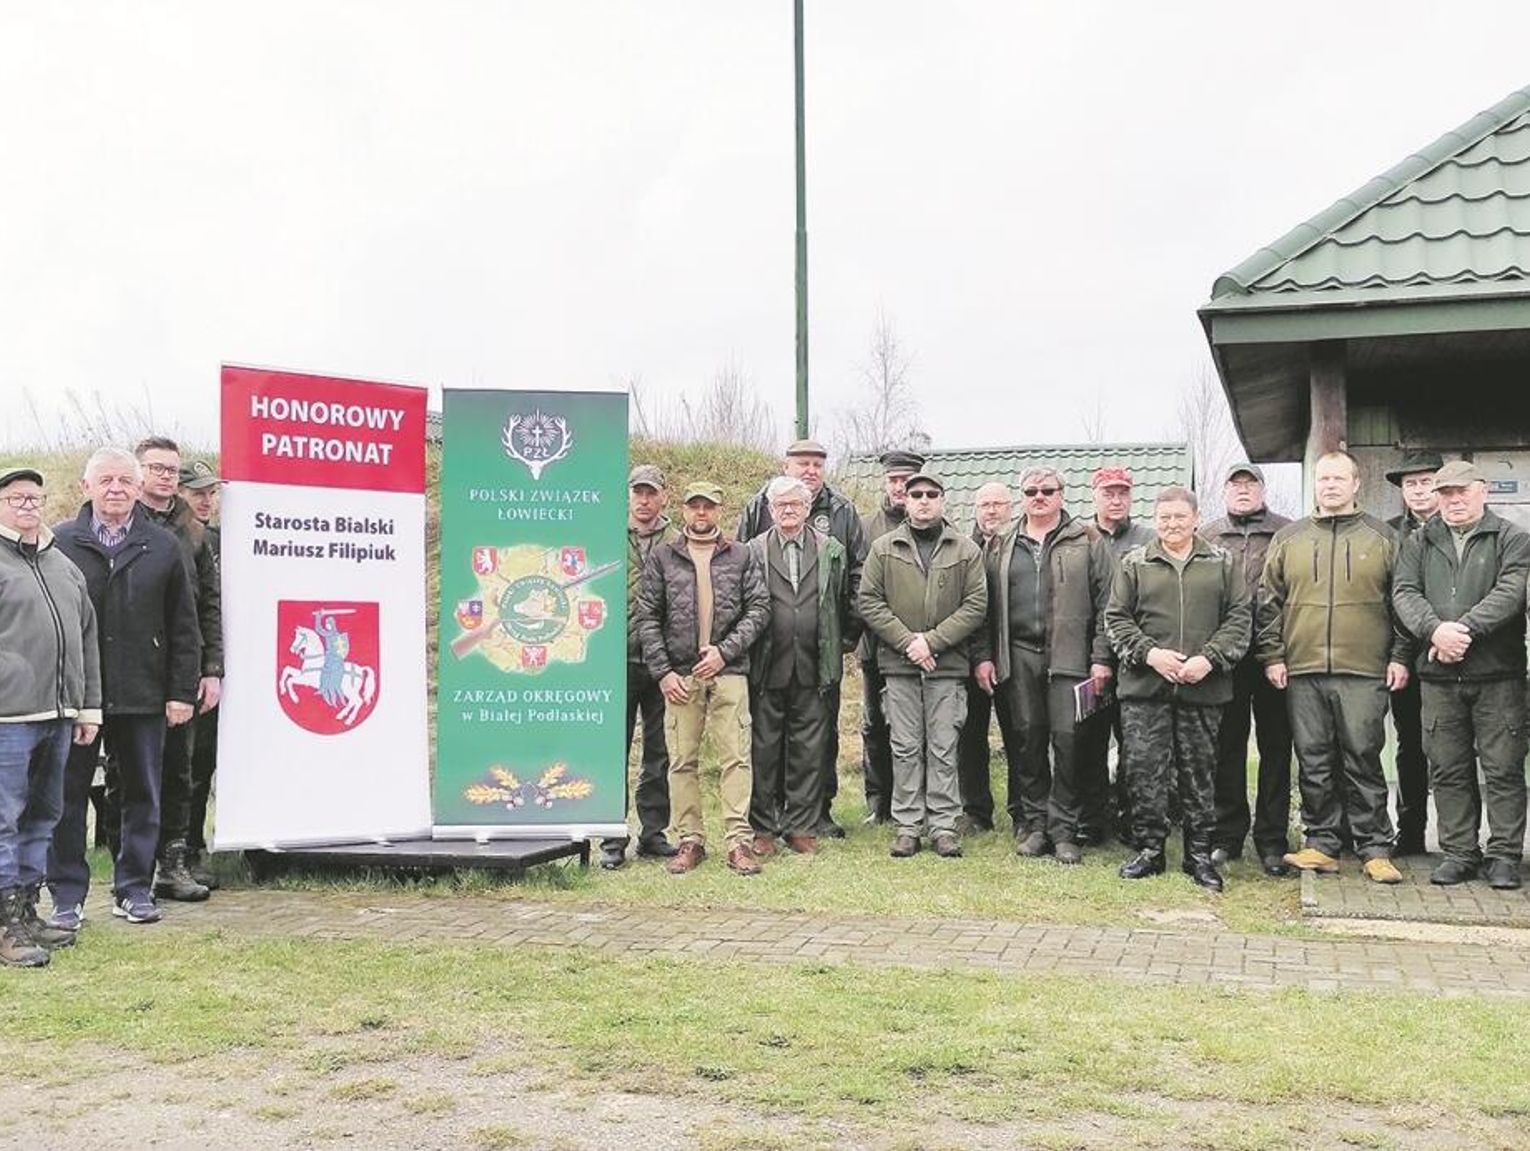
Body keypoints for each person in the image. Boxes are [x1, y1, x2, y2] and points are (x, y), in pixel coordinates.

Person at [48, 447, 200, 927]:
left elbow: (184, 625)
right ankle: (66, 895)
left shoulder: (163, 545)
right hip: (78, 695)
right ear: (85, 487)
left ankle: (133, 888)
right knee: (66, 797)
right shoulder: (59, 543)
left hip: (144, 690)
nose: (116, 489)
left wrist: (180, 690)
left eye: (124, 481)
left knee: (142, 794)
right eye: (106, 480)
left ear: (138, 489)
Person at [1257, 450, 1410, 885]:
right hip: (1303, 669)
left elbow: (1402, 604)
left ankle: (1375, 847)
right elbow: (1268, 604)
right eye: (1323, 478)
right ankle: (1321, 844)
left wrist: (1399, 656)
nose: (1330, 485)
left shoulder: (1382, 538)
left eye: (1339, 478)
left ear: (1356, 483)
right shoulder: (1289, 539)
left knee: (1363, 757)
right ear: (1316, 484)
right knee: (1314, 760)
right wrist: (1272, 656)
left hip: (1364, 670)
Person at [1105, 487, 1251, 891]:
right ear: (1156, 519)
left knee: (1199, 774)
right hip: (1145, 689)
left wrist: (1210, 658)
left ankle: (1199, 854)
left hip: (1203, 689)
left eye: (1179, 517)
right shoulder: (1134, 563)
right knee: (1144, 773)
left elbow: (1240, 617)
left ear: (1195, 517)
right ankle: (1150, 849)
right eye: (1164, 517)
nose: (1172, 524)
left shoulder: (1222, 563)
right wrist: (1150, 654)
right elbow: (1116, 618)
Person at [1393, 459, 1529, 889]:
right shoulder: (1420, 541)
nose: (1453, 500)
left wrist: (1461, 631)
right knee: (1448, 769)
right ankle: (1459, 852)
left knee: (1503, 768)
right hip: (1437, 679)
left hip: (1498, 677)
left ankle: (1504, 855)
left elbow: (1511, 592)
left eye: (1461, 492)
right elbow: (1404, 592)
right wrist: (1435, 630)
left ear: (1482, 491)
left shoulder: (1512, 539)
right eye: (1446, 493)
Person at [973, 466, 1114, 863]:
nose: (1039, 497)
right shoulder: (1000, 544)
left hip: (1070, 659)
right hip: (1017, 656)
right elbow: (982, 607)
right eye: (1031, 491)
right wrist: (983, 656)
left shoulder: (1087, 540)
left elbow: (1108, 603)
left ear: (1061, 495)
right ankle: (1035, 825)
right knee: (1026, 739)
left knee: (1069, 743)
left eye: (1047, 490)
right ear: (1022, 497)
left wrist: (1102, 657)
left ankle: (1065, 829)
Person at [635, 482, 769, 875]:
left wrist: (724, 651)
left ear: (719, 510)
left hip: (729, 672)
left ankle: (738, 842)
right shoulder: (663, 557)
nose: (701, 513)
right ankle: (690, 840)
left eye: (708, 506)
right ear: (684, 510)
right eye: (694, 506)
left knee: (737, 758)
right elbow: (648, 617)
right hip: (680, 676)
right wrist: (662, 672)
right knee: (681, 760)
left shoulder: (741, 555)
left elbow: (759, 609)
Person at [738, 439, 867, 838]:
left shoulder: (832, 548)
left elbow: (850, 593)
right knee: (764, 746)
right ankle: (762, 825)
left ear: (807, 508)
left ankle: (801, 825)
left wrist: (843, 638)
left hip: (815, 660)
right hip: (767, 661)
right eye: (782, 506)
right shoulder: (753, 549)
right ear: (771, 509)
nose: (789, 510)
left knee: (810, 748)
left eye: (796, 505)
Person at [0, 468, 101, 967]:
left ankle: (26, 908)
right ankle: (4, 925)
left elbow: (87, 640)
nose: (27, 506)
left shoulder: (62, 566)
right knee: (3, 819)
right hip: (8, 718)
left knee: (43, 817)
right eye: (16, 498)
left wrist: (89, 706)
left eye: (35, 498)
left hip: (59, 713)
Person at [858, 471, 987, 858]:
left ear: (943, 501)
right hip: (898, 666)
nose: (924, 500)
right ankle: (908, 825)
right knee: (904, 746)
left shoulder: (965, 550)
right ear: (906, 501)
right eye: (917, 494)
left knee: (945, 746)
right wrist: (908, 642)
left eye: (932, 494)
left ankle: (944, 825)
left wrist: (931, 641)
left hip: (947, 667)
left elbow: (976, 605)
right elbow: (869, 601)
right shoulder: (883, 548)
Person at [135, 436, 222, 903]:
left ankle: (177, 858)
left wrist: (213, 666)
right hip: (133, 665)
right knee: (130, 772)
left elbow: (209, 602)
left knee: (182, 769)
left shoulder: (194, 532)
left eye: (172, 470)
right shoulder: (122, 522)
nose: (166, 477)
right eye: (159, 469)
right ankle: (133, 864)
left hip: (184, 664)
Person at [1200, 462, 1294, 876]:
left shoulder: (1286, 531)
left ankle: (1272, 839)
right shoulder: (1208, 535)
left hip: (1274, 654)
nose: (1242, 490)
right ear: (1224, 491)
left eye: (1249, 484)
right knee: (1227, 747)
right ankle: (1227, 835)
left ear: (1262, 489)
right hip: (1226, 658)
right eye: (1235, 484)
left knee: (1276, 747)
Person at [600, 464, 681, 869]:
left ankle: (653, 832)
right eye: (638, 492)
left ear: (664, 495)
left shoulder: (678, 540)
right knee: (613, 750)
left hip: (663, 660)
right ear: (628, 496)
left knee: (659, 751)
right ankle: (612, 836)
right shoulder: (606, 535)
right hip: (617, 656)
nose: (644, 500)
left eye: (651, 492)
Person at [1076, 465, 1154, 844]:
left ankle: (1130, 819)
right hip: (1088, 660)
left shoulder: (1148, 540)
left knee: (1134, 744)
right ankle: (1092, 820)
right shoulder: (1078, 537)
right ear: (1094, 495)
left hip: (1136, 663)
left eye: (1123, 492)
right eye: (1109, 492)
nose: (1116, 499)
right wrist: (1096, 655)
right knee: (1089, 741)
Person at [857, 449, 924, 826]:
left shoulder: (936, 521)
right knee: (876, 725)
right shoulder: (866, 528)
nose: (900, 487)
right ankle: (878, 800)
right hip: (876, 645)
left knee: (920, 726)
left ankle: (919, 799)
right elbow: (856, 585)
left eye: (907, 481)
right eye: (894, 480)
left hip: (923, 647)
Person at [1383, 449, 1444, 856]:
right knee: (1409, 745)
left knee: (1451, 749)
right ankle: (1410, 831)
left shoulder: (1459, 527)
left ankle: (1461, 838)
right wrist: (1399, 655)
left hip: (1453, 654)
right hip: (1404, 657)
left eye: (1425, 482)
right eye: (1411, 484)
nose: (1418, 491)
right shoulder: (1389, 533)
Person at [955, 481, 1021, 834]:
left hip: (1016, 656)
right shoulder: (964, 549)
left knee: (1018, 735)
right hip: (970, 657)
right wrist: (980, 655)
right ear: (974, 509)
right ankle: (976, 810)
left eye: (998, 504)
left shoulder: (1021, 549)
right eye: (985, 505)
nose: (992, 511)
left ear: (1011, 508)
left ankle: (1021, 810)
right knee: (971, 736)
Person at [178, 460, 223, 888]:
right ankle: (179, 849)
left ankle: (195, 843)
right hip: (180, 666)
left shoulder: (218, 539)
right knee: (182, 766)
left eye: (211, 492)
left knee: (203, 763)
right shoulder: (173, 538)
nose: (206, 500)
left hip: (216, 664)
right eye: (197, 493)